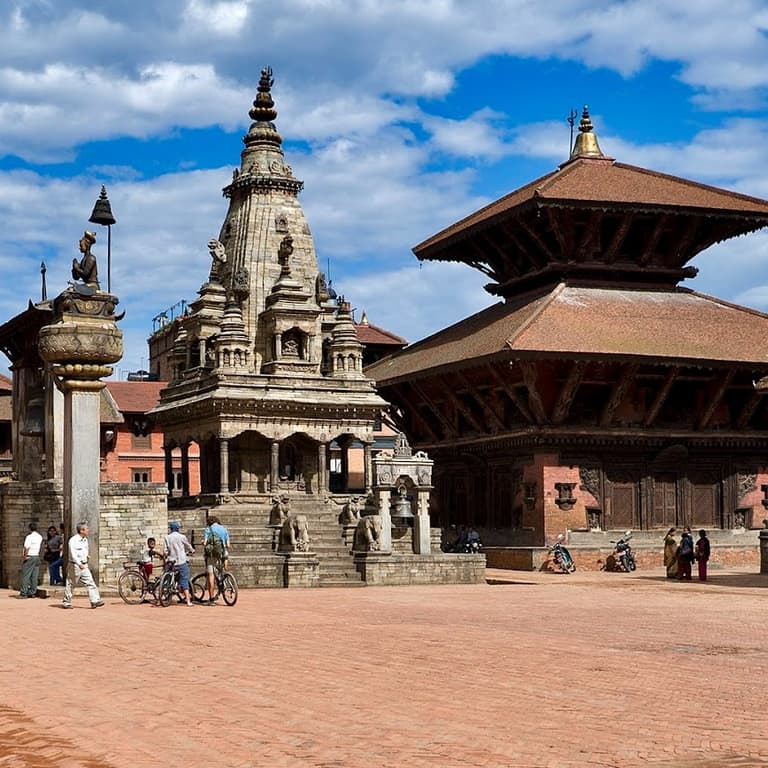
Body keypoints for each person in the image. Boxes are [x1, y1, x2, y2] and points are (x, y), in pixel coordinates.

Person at [62, 521, 104, 609]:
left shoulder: (85, 540)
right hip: (75, 565)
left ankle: (95, 600)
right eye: (86, 529)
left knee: (90, 582)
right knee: (71, 583)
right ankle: (66, 602)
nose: (88, 530)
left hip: (84, 565)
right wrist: (79, 563)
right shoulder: (73, 540)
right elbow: (73, 554)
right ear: (81, 530)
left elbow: (85, 550)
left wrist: (86, 558)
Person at [163, 521, 195, 606]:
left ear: (170, 529)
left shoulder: (167, 537)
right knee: (184, 579)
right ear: (178, 528)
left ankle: (162, 598)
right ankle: (188, 601)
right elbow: (188, 546)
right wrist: (192, 550)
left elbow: (165, 551)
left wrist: (166, 556)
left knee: (166, 579)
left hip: (171, 561)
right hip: (181, 561)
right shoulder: (182, 537)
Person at [203, 515, 230, 604]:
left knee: (211, 575)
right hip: (223, 552)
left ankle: (211, 599)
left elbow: (205, 543)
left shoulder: (208, 529)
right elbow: (228, 545)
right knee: (223, 569)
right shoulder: (224, 529)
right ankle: (226, 579)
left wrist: (203, 542)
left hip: (212, 554)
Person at [19, 523, 43, 598]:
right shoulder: (39, 537)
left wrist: (25, 556)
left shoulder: (29, 537)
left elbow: (27, 547)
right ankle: (32, 592)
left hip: (30, 556)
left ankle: (24, 592)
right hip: (36, 555)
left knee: (25, 575)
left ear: (29, 528)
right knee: (34, 575)